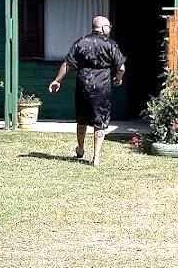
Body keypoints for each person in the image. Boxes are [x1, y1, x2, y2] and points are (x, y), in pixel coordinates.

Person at [48, 15, 126, 166]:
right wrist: (118, 78)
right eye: (108, 26)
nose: (110, 28)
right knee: (100, 121)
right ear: (103, 28)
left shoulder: (81, 42)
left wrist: (57, 80)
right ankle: (96, 157)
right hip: (102, 88)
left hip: (83, 85)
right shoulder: (111, 45)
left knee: (81, 119)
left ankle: (81, 148)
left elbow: (67, 64)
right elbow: (121, 68)